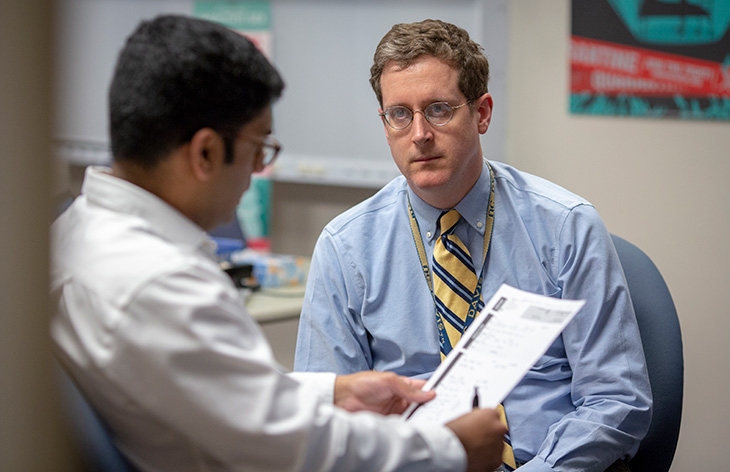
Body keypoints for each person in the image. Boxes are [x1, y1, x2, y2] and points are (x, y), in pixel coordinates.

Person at [49, 15, 508, 472]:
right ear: (206, 153)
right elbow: (298, 449)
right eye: (258, 151)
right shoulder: (162, 284)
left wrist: (336, 392)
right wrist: (450, 450)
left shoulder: (74, 235)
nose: (255, 173)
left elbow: (225, 394)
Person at [294, 19, 652, 472]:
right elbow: (326, 416)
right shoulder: (345, 248)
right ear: (385, 125)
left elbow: (616, 400)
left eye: (439, 109)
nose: (419, 134)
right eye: (399, 114)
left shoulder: (565, 227)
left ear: (481, 113)